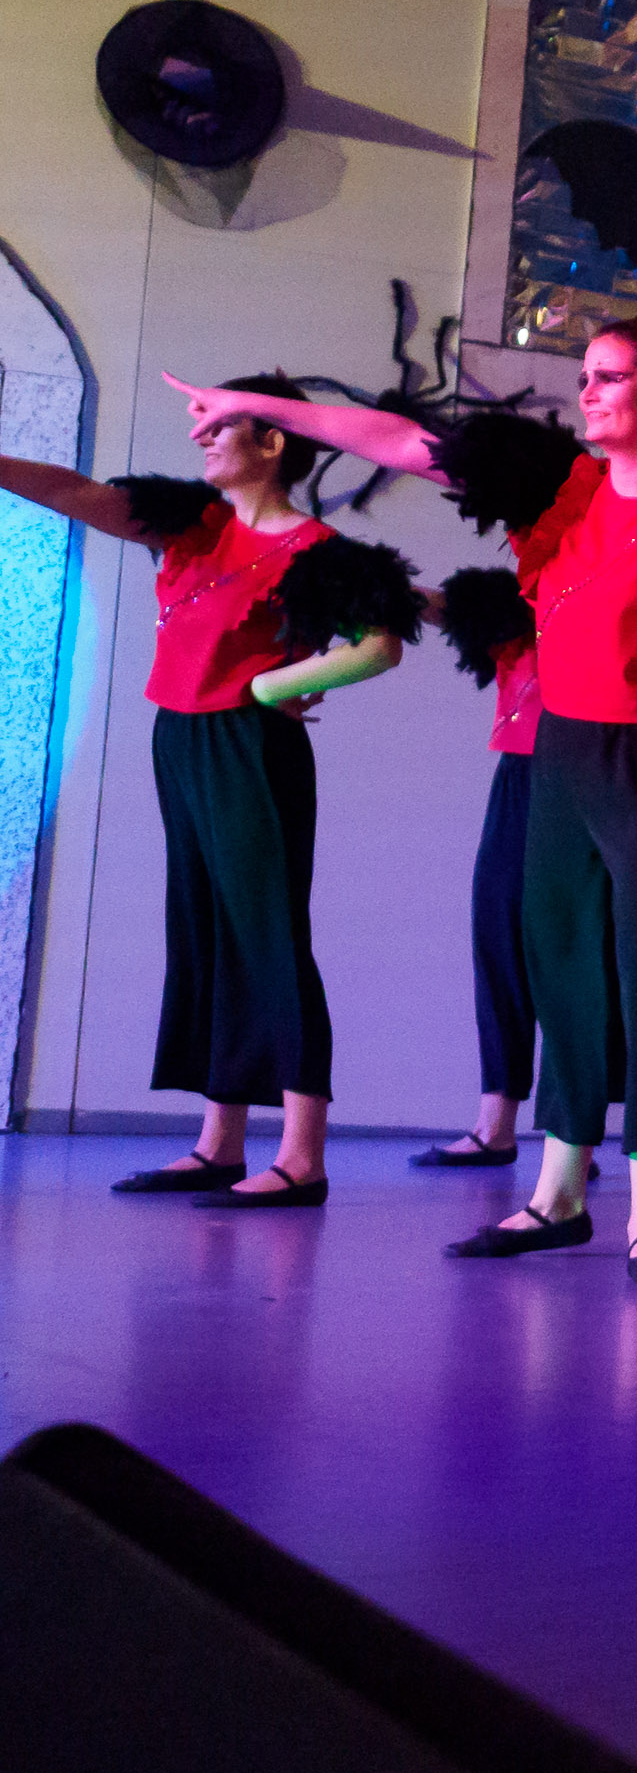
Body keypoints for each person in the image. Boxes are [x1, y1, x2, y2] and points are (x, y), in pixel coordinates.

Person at [234, 322, 637, 1287]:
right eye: (585, 376)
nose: (589, 392)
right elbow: (402, 441)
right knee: (561, 969)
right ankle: (557, 1195)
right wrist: (260, 405)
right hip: (559, 754)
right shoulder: (559, 490)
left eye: (610, 377)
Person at [4, 374, 417, 1204]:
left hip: (249, 749)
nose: (198, 438)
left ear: (272, 441)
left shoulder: (318, 552)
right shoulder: (191, 522)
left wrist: (275, 685)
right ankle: (219, 1144)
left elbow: (381, 644)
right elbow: (74, 491)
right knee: (207, 931)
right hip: (180, 737)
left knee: (269, 937)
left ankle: (302, 1157)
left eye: (218, 425)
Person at [418, 567, 543, 1170]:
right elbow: (462, 612)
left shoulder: (594, 575)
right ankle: (497, 1124)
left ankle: (573, 1135)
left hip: (590, 769)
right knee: (499, 934)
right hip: (522, 772)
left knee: (575, 955)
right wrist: (384, 586)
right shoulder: (523, 596)